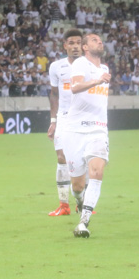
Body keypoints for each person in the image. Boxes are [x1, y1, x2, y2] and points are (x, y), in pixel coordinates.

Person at [64, 33, 112, 238]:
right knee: (77, 185)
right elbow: (74, 88)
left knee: (97, 172)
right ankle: (78, 199)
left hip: (98, 129)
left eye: (100, 40)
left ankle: (84, 222)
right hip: (75, 129)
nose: (99, 42)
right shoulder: (80, 64)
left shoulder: (105, 69)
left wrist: (100, 78)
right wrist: (97, 81)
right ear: (85, 47)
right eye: (94, 40)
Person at [47, 29, 83, 217]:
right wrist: (53, 121)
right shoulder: (56, 67)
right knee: (61, 158)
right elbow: (54, 95)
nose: (75, 46)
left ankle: (81, 203)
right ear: (65, 46)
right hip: (63, 117)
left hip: (83, 119)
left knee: (81, 160)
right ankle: (64, 205)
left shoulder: (90, 66)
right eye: (71, 43)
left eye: (78, 43)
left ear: (83, 46)